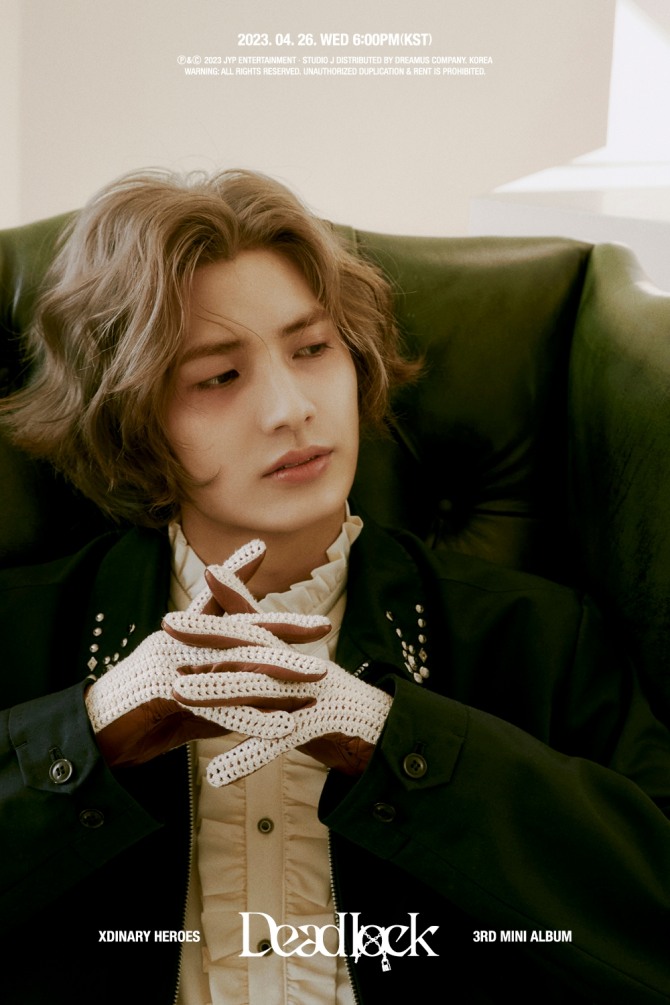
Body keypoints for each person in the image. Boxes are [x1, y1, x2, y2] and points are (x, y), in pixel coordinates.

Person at [0, 169, 668, 1005]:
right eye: (218, 376)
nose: (290, 409)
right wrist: (86, 738)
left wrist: (400, 745)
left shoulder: (536, 634)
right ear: (133, 416)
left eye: (312, 349)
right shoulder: (20, 629)